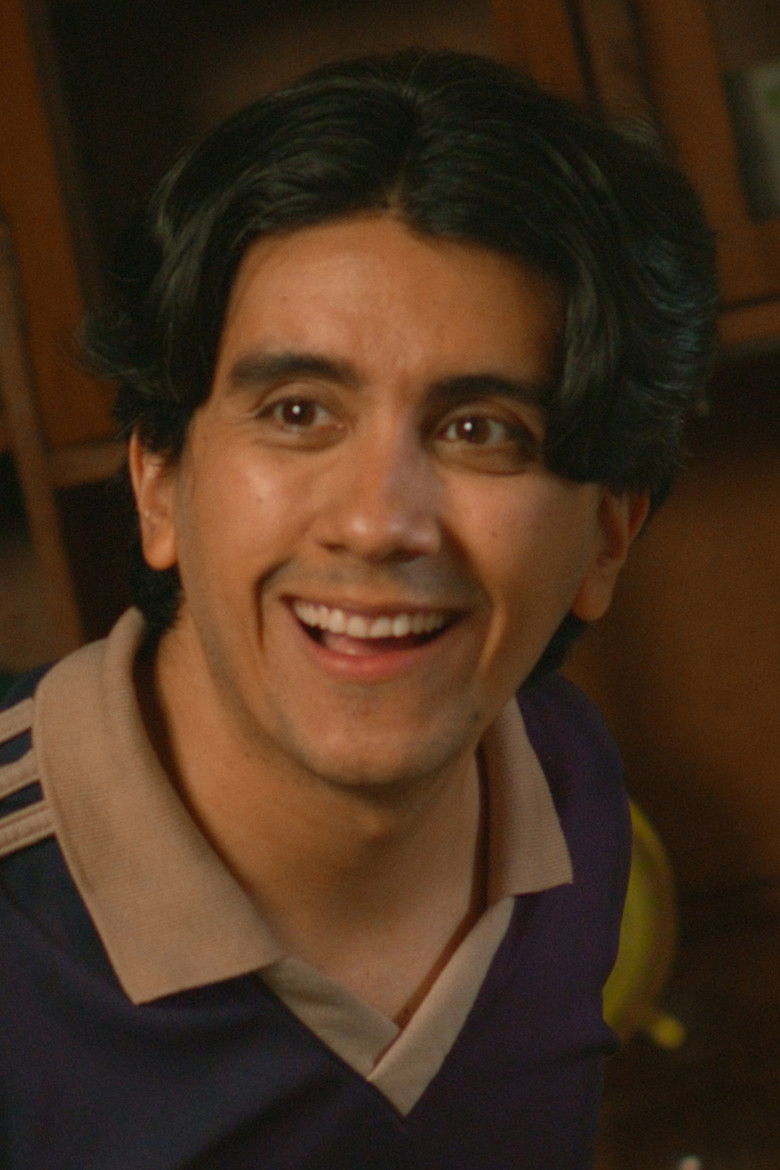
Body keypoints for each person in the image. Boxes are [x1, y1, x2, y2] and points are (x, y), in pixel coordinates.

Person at [0, 49, 715, 1169]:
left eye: (481, 431)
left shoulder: (567, 789)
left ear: (607, 540)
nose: (380, 522)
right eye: (298, 412)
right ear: (159, 482)